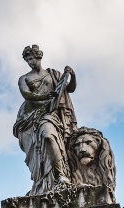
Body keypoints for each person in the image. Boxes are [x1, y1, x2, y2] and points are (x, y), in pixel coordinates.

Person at [13, 45, 77, 195]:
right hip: (28, 118)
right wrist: (43, 97)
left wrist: (72, 75)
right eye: (27, 60)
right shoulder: (24, 78)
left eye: (31, 59)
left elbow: (70, 89)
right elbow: (26, 94)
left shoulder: (53, 75)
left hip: (49, 114)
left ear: (39, 57)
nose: (30, 62)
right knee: (36, 154)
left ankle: (60, 175)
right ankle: (42, 182)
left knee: (48, 136)